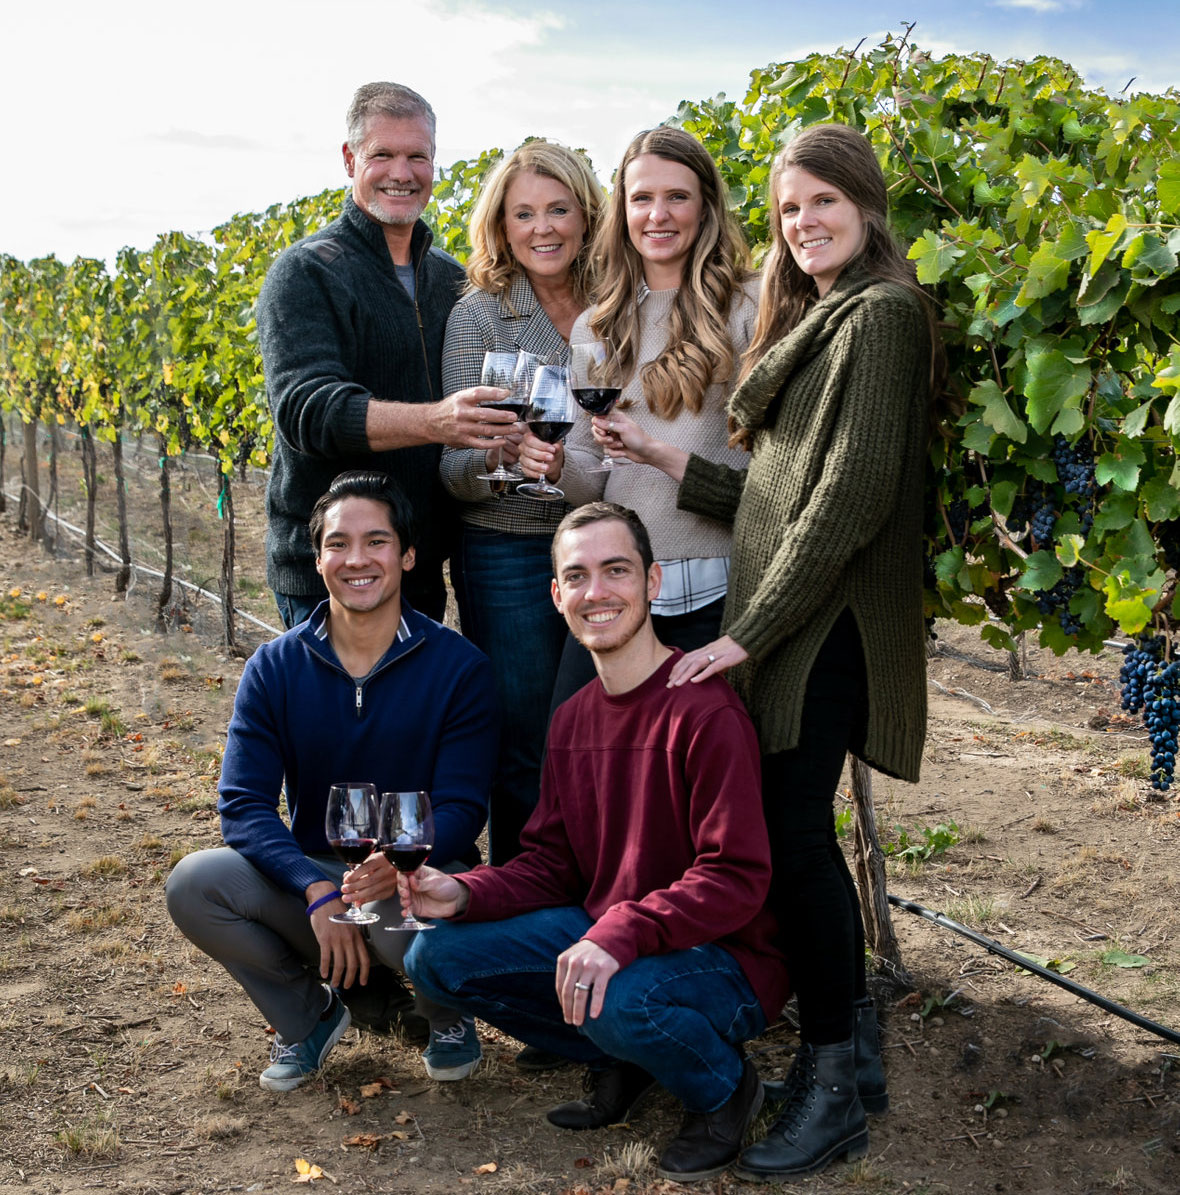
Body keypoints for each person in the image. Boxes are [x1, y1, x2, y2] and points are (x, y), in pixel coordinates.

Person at [597, 123, 949, 1180]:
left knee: (793, 844)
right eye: (790, 211)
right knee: (793, 842)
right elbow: (775, 494)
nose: (803, 226)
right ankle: (852, 1053)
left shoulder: (880, 317)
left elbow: (845, 503)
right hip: (798, 621)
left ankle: (834, 1077)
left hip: (823, 630)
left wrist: (745, 635)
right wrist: (666, 457)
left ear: (866, 207)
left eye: (822, 205)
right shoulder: (825, 321)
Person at [400, 502, 790, 1184]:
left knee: (615, 998)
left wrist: (621, 932)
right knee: (435, 956)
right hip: (613, 932)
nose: (597, 591)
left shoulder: (705, 710)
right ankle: (626, 1057)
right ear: (556, 595)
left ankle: (726, 1090)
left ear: (653, 582)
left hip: (720, 957)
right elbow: (553, 863)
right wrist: (463, 889)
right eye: (576, 576)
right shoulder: (573, 718)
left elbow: (735, 877)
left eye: (616, 570)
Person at [165, 471, 498, 1091]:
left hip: (417, 878)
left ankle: (446, 1017)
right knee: (196, 883)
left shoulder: (460, 668)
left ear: (407, 554)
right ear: (317, 559)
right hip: (318, 876)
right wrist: (314, 889)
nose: (357, 560)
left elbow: (463, 807)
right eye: (338, 544)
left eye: (376, 541)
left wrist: (397, 864)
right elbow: (243, 806)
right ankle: (309, 1017)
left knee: (408, 910)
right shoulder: (275, 666)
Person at [257, 82, 517, 628]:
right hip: (330, 570)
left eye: (417, 156)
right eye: (383, 154)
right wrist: (438, 421)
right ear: (350, 159)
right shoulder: (306, 272)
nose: (402, 172)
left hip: (418, 565)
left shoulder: (449, 277)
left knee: (406, 715)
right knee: (341, 715)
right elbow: (311, 411)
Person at [539, 126, 760, 708]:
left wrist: (654, 450)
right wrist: (559, 463)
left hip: (718, 595)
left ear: (706, 206)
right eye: (641, 199)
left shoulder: (752, 306)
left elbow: (771, 470)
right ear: (623, 210)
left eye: (677, 197)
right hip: (622, 594)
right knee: (579, 764)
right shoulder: (599, 326)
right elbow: (595, 480)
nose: (657, 215)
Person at [439, 140, 603, 866]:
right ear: (501, 227)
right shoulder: (478, 316)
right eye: (524, 213)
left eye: (559, 209)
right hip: (507, 547)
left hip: (607, 544)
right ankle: (522, 899)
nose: (543, 228)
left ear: (585, 214)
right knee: (528, 744)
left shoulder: (621, 299)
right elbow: (452, 467)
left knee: (608, 734)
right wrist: (500, 454)